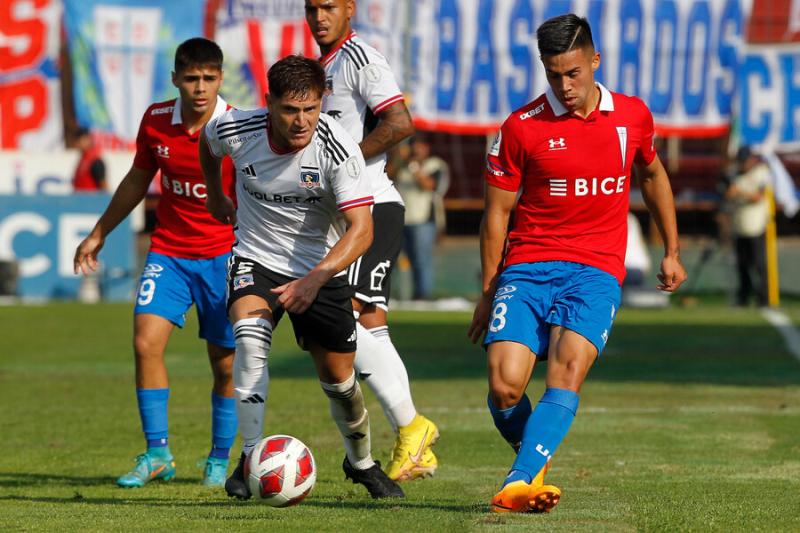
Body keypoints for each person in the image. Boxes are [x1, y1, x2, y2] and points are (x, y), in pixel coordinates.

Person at [467, 14, 687, 514]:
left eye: (573, 73)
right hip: (527, 267)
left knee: (566, 372)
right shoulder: (521, 128)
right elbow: (496, 214)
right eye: (553, 75)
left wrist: (672, 250)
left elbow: (652, 176)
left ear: (595, 61)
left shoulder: (632, 117)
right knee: (504, 387)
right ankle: (531, 465)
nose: (564, 86)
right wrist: (487, 291)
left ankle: (518, 483)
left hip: (595, 271)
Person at [199, 54, 404, 500]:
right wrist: (216, 195)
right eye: (290, 110)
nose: (301, 121)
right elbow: (206, 143)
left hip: (320, 267)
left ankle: (362, 463)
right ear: (269, 102)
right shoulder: (236, 129)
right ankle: (251, 458)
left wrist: (314, 279)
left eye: (310, 109)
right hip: (256, 257)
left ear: (321, 102)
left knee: (341, 385)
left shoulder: (339, 148)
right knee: (250, 341)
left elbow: (362, 230)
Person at [73, 38, 238, 489]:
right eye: (191, 79)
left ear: (220, 78)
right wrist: (100, 232)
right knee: (145, 342)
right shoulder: (156, 120)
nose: (200, 88)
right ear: (175, 80)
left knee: (225, 364)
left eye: (208, 78)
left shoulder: (237, 127)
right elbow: (136, 180)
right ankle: (158, 453)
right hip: (169, 250)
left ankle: (220, 458)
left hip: (224, 257)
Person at [305, 0, 439, 482]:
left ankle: (412, 426)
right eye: (310, 8)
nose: (319, 17)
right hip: (341, 215)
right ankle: (412, 438)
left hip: (374, 209)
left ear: (349, 10)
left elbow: (400, 123)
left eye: (328, 7)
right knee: (368, 323)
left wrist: (346, 160)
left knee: (347, 320)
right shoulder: (322, 66)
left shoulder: (360, 58)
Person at [395, 135, 450, 300]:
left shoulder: (436, 165)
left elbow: (429, 185)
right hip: (402, 219)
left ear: (427, 148)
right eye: (414, 146)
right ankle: (403, 295)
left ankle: (422, 295)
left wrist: (414, 166)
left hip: (424, 221)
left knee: (421, 260)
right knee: (400, 261)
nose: (417, 150)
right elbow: (390, 175)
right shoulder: (402, 167)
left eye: (420, 146)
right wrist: (399, 158)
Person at [725, 146, 770, 307]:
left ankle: (764, 299)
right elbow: (727, 194)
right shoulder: (734, 174)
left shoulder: (761, 173)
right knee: (742, 266)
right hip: (739, 226)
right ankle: (743, 297)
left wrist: (739, 192)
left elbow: (758, 197)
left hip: (756, 226)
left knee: (759, 265)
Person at [72, 127, 107, 192]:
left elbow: (104, 187)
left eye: (79, 140)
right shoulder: (82, 160)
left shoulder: (95, 161)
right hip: (80, 200)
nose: (77, 144)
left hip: (91, 201)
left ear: (88, 139)